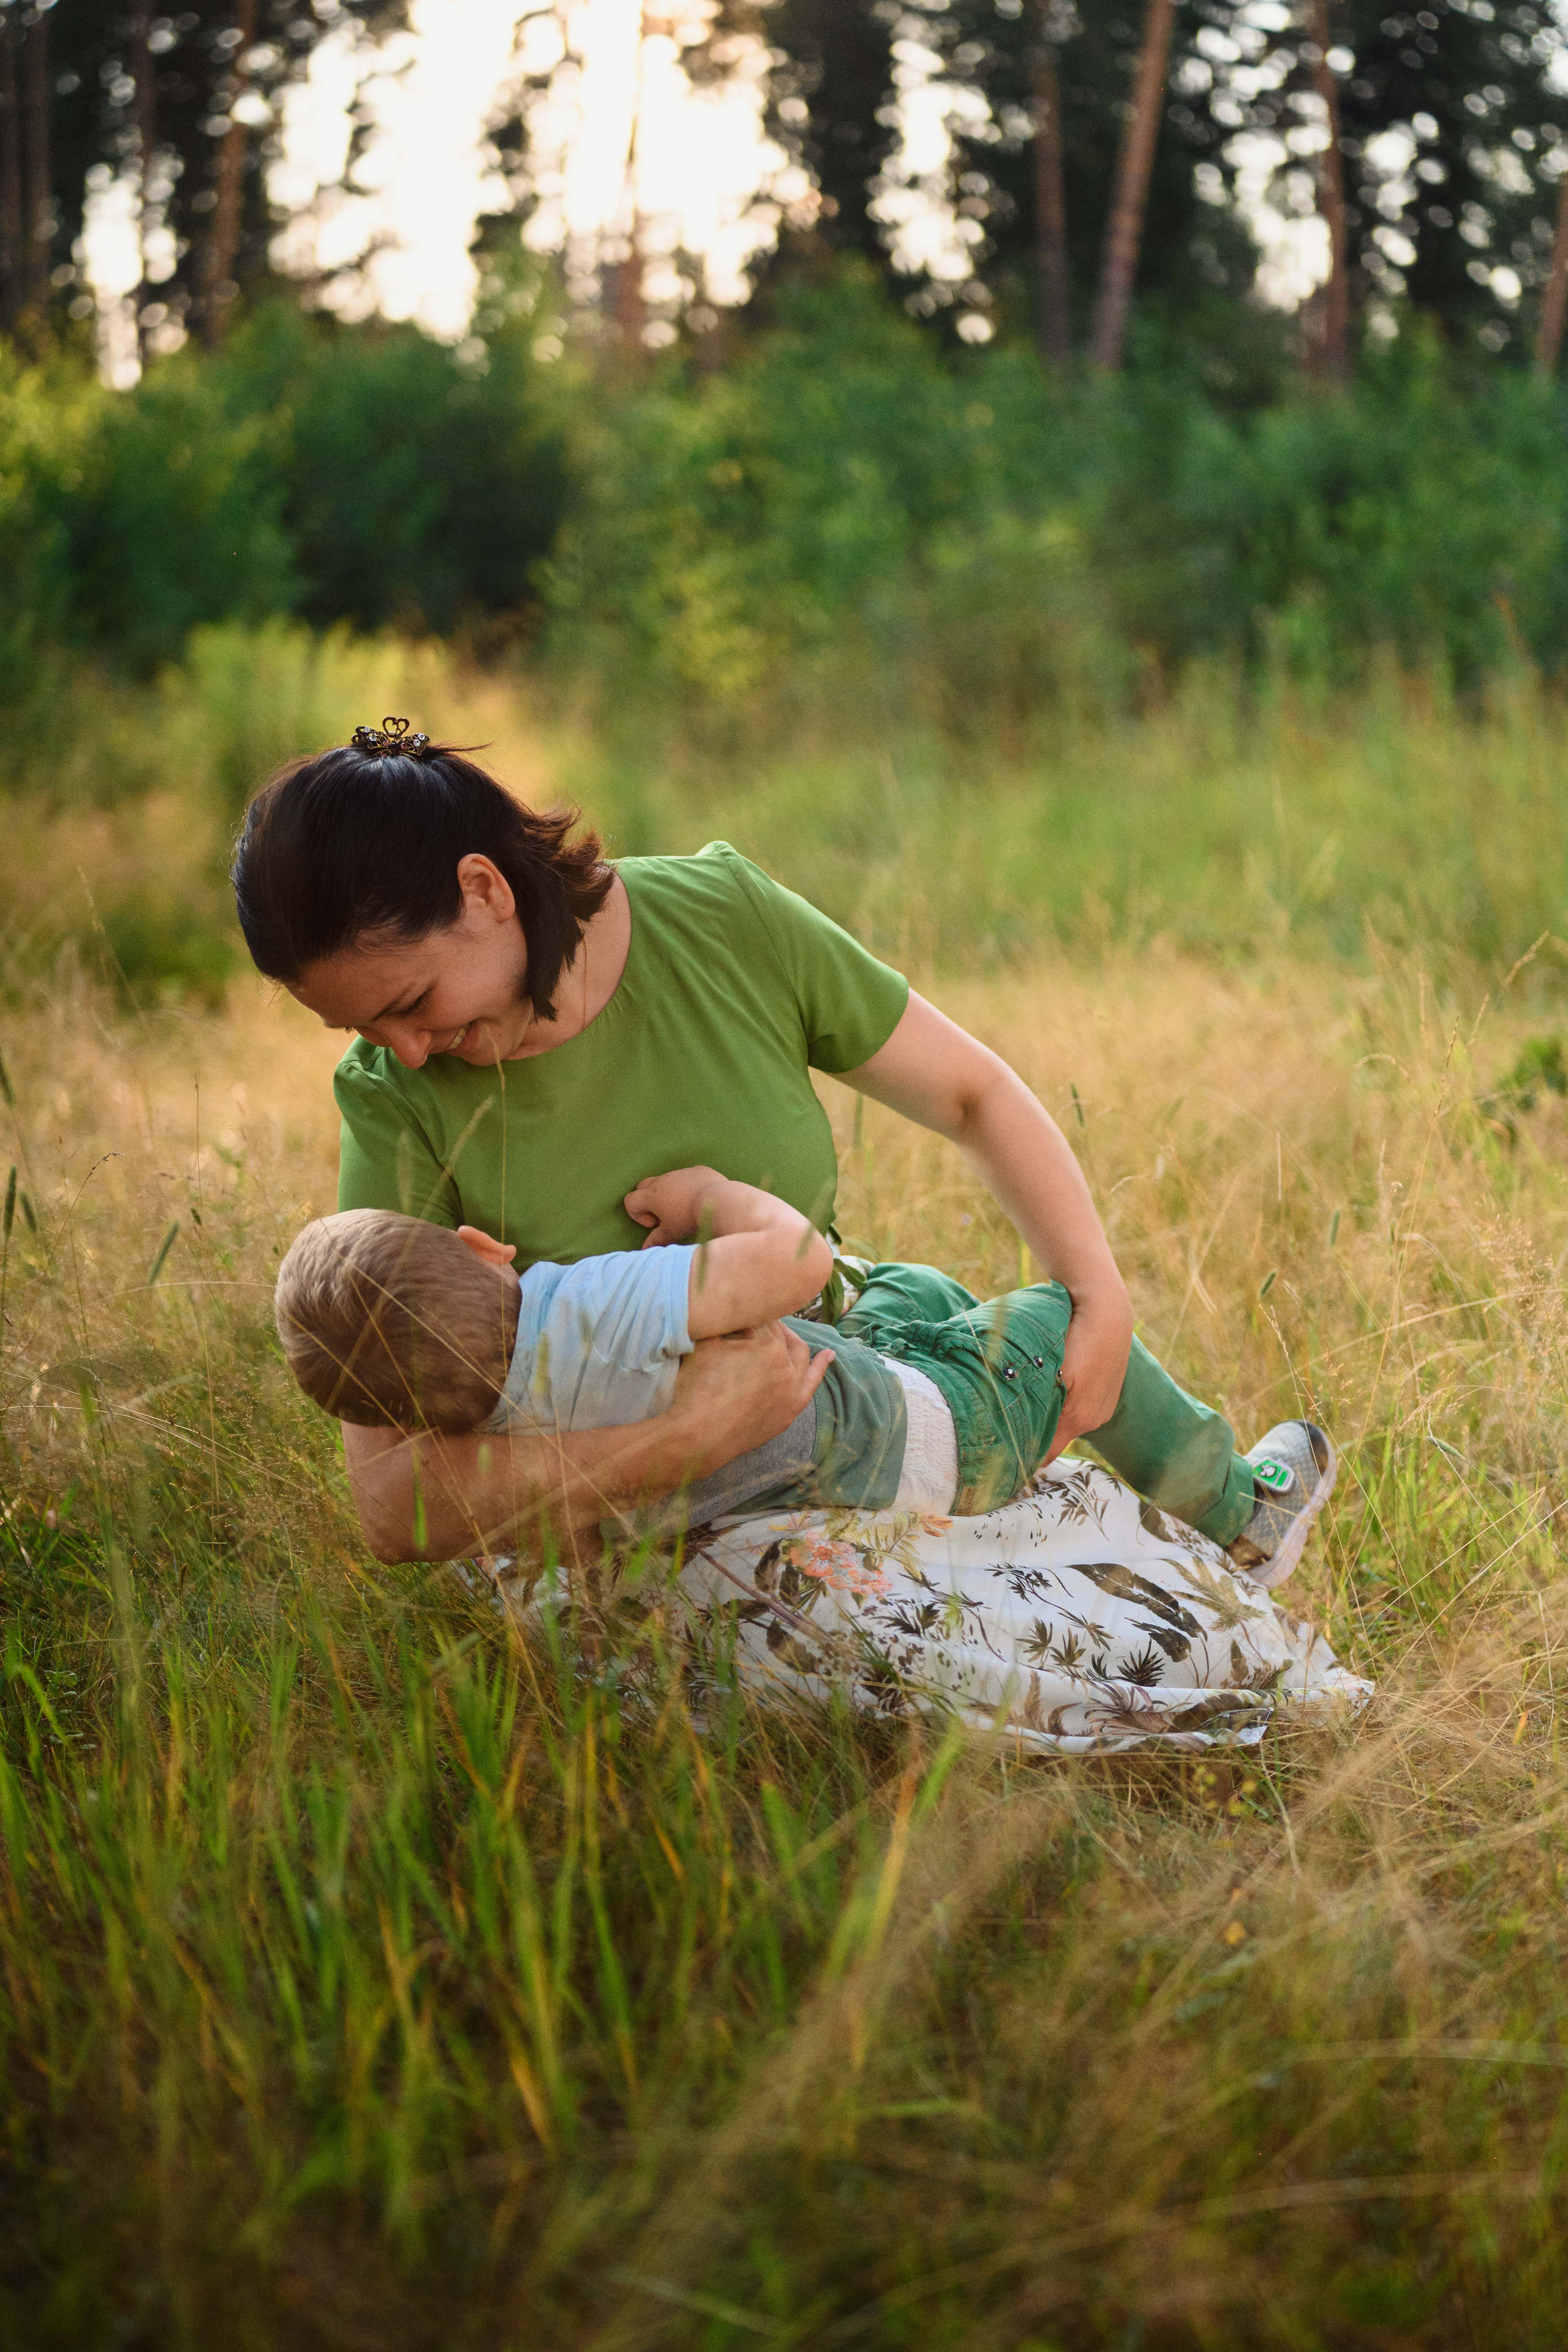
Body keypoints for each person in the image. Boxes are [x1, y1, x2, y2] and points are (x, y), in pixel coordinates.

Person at [231, 718, 1301, 1569]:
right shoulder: (390, 1099)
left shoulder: (722, 918)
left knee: (930, 1307)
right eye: (363, 1031)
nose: (404, 1054)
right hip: (651, 1525)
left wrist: (1100, 1298)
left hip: (847, 1375)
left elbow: (974, 1095)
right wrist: (681, 1442)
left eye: (411, 1003)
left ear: (484, 889)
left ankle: (1227, 1514)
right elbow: (394, 1504)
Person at [273, 1168, 1336, 1585]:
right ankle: (1241, 1512)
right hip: (940, 1442)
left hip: (861, 1410)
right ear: (479, 1245)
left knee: (912, 1288)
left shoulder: (508, 1459)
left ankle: (928, 1345)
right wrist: (721, 1198)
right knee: (1056, 1316)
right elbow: (796, 1264)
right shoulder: (579, 1303)